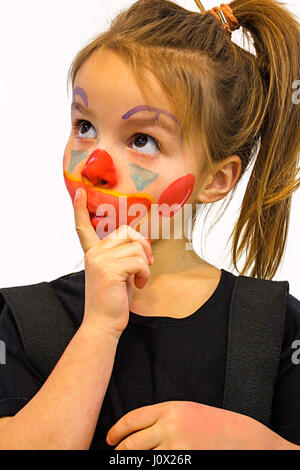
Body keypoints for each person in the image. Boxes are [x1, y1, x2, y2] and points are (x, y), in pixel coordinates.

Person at [0, 0, 299, 450]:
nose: (95, 165)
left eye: (142, 139)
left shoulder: (274, 328)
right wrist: (98, 327)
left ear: (216, 180)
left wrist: (252, 443)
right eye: (84, 126)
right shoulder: (22, 321)